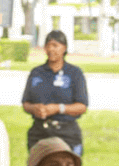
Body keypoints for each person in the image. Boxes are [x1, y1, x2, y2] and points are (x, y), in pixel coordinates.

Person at [18, 26, 90, 156]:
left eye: (55, 45)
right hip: (40, 132)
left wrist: (58, 108)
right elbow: (25, 103)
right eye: (48, 46)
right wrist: (34, 108)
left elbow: (82, 106)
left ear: (64, 48)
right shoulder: (36, 73)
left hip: (66, 132)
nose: (51, 49)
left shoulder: (74, 73)